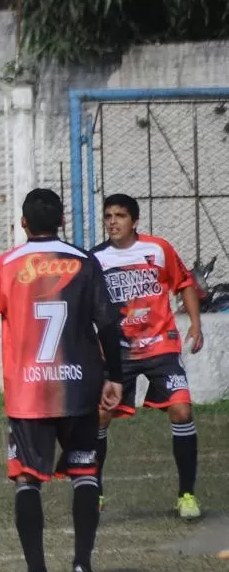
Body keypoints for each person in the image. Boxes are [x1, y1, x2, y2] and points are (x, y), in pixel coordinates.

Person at [0, 189, 123, 572]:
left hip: (29, 395)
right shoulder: (84, 262)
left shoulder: (7, 265)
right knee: (86, 474)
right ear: (61, 221)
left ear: (23, 223)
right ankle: (83, 570)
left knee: (26, 481)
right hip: (79, 389)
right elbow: (108, 324)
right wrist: (116, 376)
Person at [91, 194, 204, 519]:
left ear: (135, 221)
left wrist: (195, 324)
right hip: (118, 353)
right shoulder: (96, 258)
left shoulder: (158, 249)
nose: (113, 222)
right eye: (108, 216)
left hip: (161, 347)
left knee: (182, 411)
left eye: (120, 216)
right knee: (100, 417)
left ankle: (186, 495)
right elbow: (86, 304)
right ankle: (94, 493)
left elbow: (184, 283)